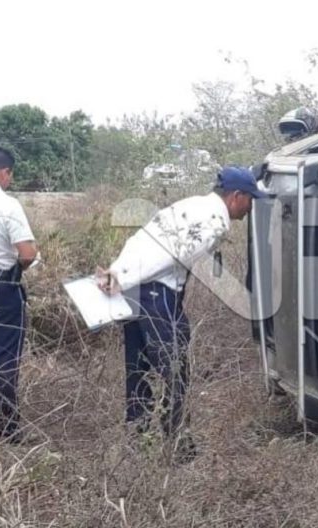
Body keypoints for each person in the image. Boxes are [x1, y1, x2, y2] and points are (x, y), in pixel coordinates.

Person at [97, 166, 266, 460]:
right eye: (251, 199)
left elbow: (141, 239)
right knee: (175, 368)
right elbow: (165, 254)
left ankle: (137, 439)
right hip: (156, 294)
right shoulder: (212, 221)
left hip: (138, 291)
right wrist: (119, 276)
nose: (251, 208)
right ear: (236, 196)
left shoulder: (191, 205)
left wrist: (119, 271)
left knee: (139, 368)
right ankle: (177, 444)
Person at [0, 147, 39, 443]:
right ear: (5, 172)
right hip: (1, 290)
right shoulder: (7, 205)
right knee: (5, 361)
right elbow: (27, 253)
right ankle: (7, 433)